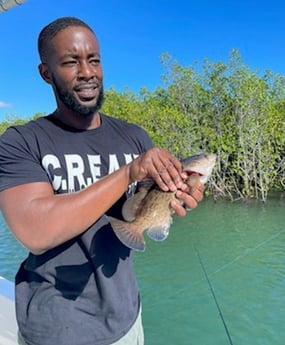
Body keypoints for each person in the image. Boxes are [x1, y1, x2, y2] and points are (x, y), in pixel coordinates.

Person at [0, 17, 204, 345]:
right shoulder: (22, 142)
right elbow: (36, 231)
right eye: (71, 62)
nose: (87, 72)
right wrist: (127, 172)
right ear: (46, 73)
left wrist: (174, 196)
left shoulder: (134, 136)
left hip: (127, 319)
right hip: (57, 329)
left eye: (94, 60)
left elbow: (136, 211)